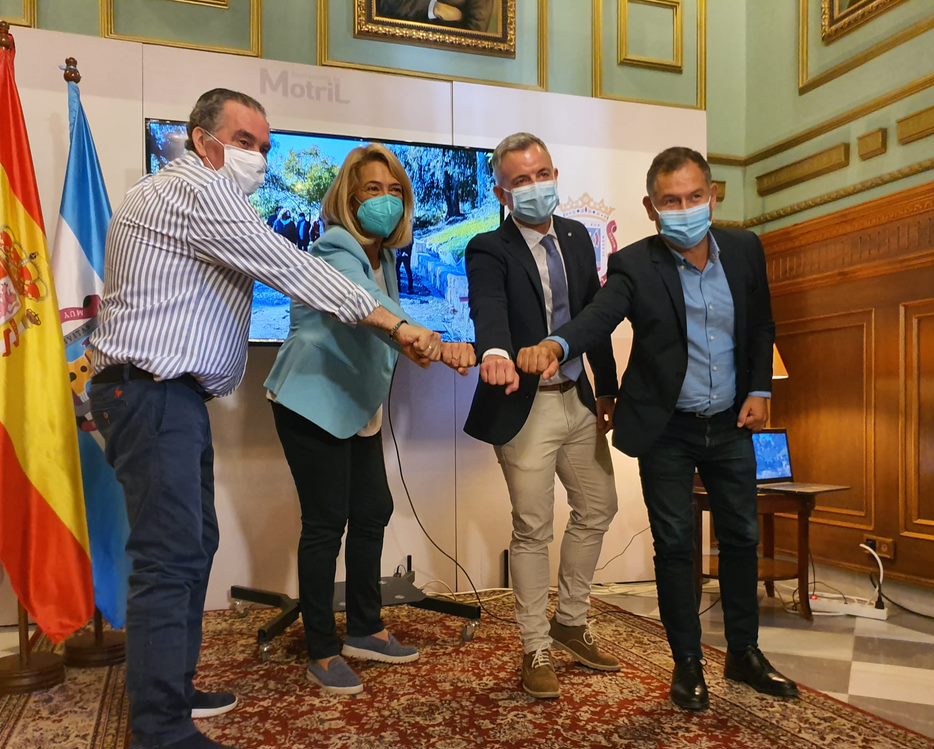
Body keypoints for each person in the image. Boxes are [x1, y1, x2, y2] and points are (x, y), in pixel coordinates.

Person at [88, 88, 445, 749]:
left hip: (169, 394)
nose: (258, 157)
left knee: (192, 547)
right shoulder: (193, 191)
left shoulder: (196, 195)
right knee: (168, 558)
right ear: (202, 142)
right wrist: (399, 325)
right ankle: (158, 734)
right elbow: (293, 268)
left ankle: (174, 694)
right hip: (150, 391)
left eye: (265, 146)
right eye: (244, 141)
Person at [516, 147, 799, 712]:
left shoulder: (745, 249)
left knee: (742, 538)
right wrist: (558, 344)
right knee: (673, 546)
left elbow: (761, 324)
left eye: (695, 197)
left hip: (732, 423)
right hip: (667, 429)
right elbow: (599, 317)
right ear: (651, 208)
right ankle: (687, 664)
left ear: (713, 196)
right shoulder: (635, 264)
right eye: (671, 201)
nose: (685, 208)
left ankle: (744, 653)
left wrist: (761, 390)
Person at [266, 144, 475, 696]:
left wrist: (427, 347)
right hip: (312, 402)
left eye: (394, 190)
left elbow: (389, 329)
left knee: (372, 510)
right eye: (372, 189)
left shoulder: (382, 257)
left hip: (357, 407)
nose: (385, 199)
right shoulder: (335, 247)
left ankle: (364, 628)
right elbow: (362, 304)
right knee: (325, 524)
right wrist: (425, 338)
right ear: (349, 197)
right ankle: (321, 649)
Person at [464, 132, 621, 700]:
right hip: (524, 404)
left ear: (555, 174)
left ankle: (571, 622)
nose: (536, 187)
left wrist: (608, 388)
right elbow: (489, 308)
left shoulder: (576, 236)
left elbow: (593, 317)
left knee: (599, 506)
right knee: (533, 528)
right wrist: (496, 354)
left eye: (542, 174)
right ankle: (535, 645)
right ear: (503, 193)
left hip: (577, 397)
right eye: (521, 181)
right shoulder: (488, 248)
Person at [377, 0, 494, 31]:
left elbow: (476, 31)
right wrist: (433, 7)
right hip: (400, 43)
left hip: (448, 57)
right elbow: (385, 4)